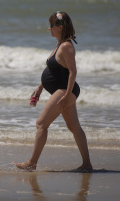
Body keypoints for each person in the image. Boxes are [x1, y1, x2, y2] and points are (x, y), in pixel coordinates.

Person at [14, 11, 93, 172]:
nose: (49, 28)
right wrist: (40, 87)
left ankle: (32, 163)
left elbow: (73, 72)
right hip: (63, 90)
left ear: (60, 27)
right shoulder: (60, 44)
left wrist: (66, 95)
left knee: (41, 124)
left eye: (52, 25)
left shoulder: (66, 46)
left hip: (65, 90)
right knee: (74, 127)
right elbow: (54, 70)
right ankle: (87, 165)